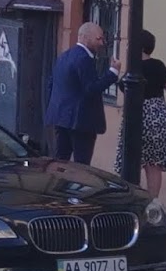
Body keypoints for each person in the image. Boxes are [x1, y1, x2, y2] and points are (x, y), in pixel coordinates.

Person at [114, 29, 166, 195]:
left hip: (135, 117)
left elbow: (124, 89)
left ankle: (132, 198)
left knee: (130, 160)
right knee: (153, 165)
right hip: (157, 117)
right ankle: (152, 201)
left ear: (138, 47)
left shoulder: (134, 68)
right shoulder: (158, 65)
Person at [46, 21, 121, 165]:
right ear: (86, 37)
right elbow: (91, 89)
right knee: (82, 165)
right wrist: (113, 72)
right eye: (99, 39)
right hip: (81, 121)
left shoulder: (64, 55)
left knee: (61, 161)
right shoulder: (84, 59)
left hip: (61, 117)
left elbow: (51, 83)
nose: (102, 43)